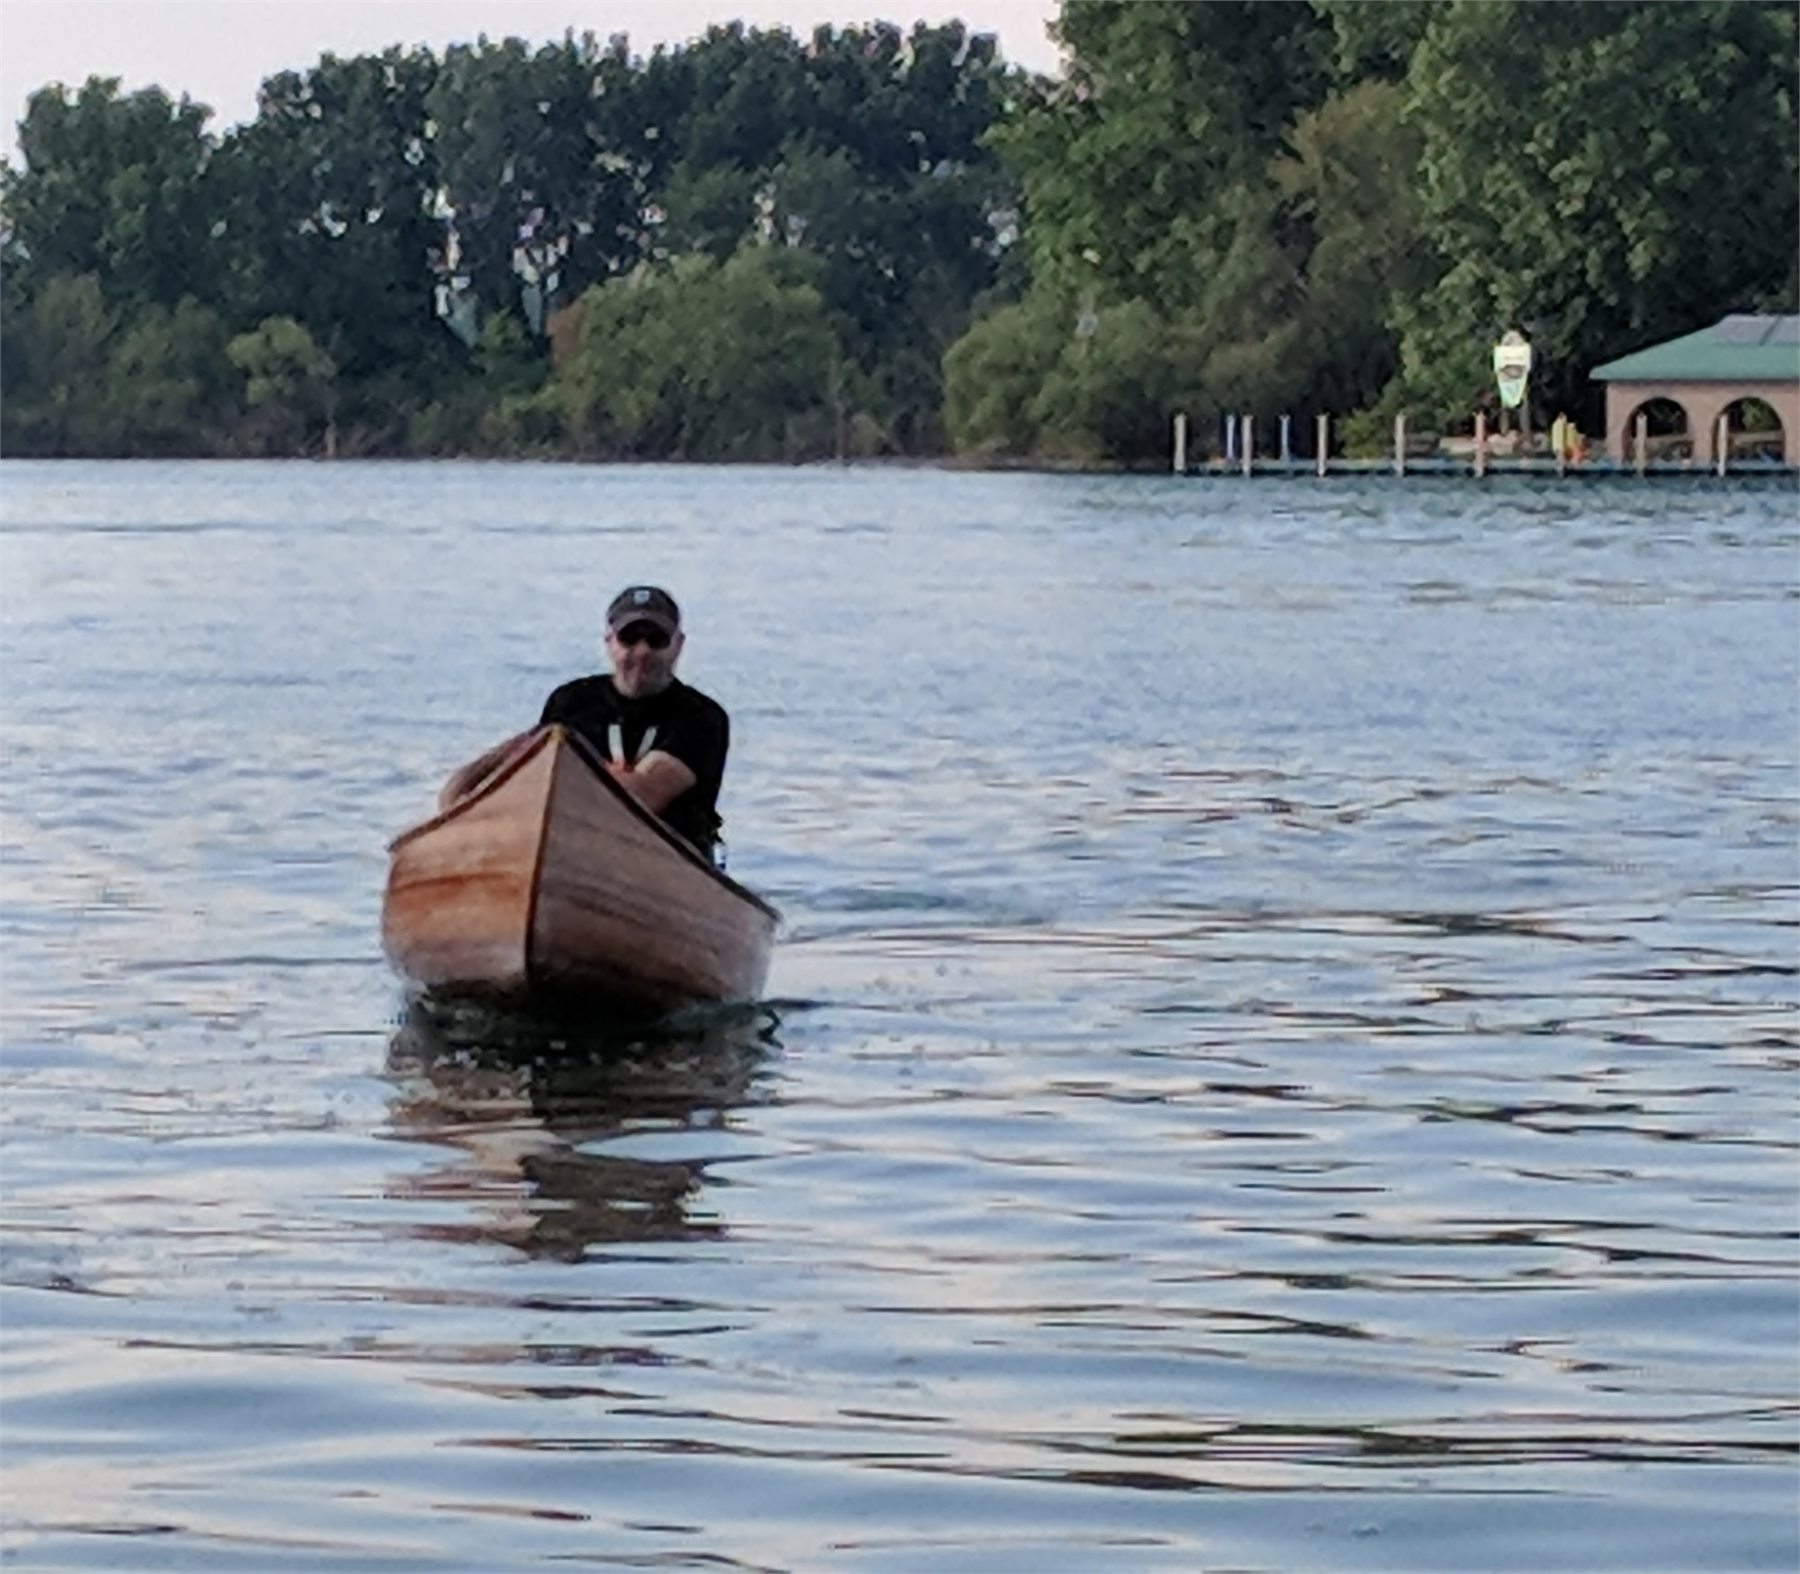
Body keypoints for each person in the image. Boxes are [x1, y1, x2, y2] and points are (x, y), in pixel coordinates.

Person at [438, 586, 729, 860]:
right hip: (572, 850)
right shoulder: (572, 702)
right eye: (629, 638)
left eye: (656, 640)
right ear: (610, 642)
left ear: (678, 645)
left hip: (665, 859)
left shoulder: (701, 717)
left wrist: (562, 771)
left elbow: (638, 798)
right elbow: (464, 789)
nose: (642, 651)